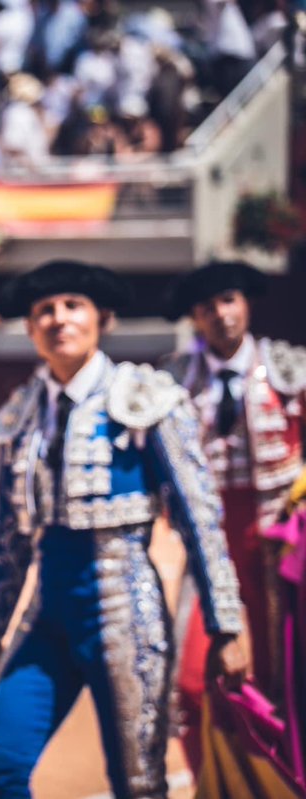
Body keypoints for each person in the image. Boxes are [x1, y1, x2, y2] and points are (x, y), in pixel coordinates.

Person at [0, 260, 247, 799]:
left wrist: (226, 626)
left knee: (138, 782)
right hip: (46, 615)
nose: (58, 319)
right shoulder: (20, 414)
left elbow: (199, 518)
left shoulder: (145, 398)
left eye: (73, 306)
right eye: (44, 311)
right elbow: (9, 536)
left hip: (127, 613)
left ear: (103, 320)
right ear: (30, 329)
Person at [160, 260, 306, 775]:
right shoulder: (174, 380)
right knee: (191, 680)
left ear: (246, 303)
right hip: (210, 544)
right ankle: (217, 782)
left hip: (280, 545)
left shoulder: (291, 368)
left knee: (284, 678)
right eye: (207, 306)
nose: (221, 314)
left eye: (229, 300)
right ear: (195, 317)